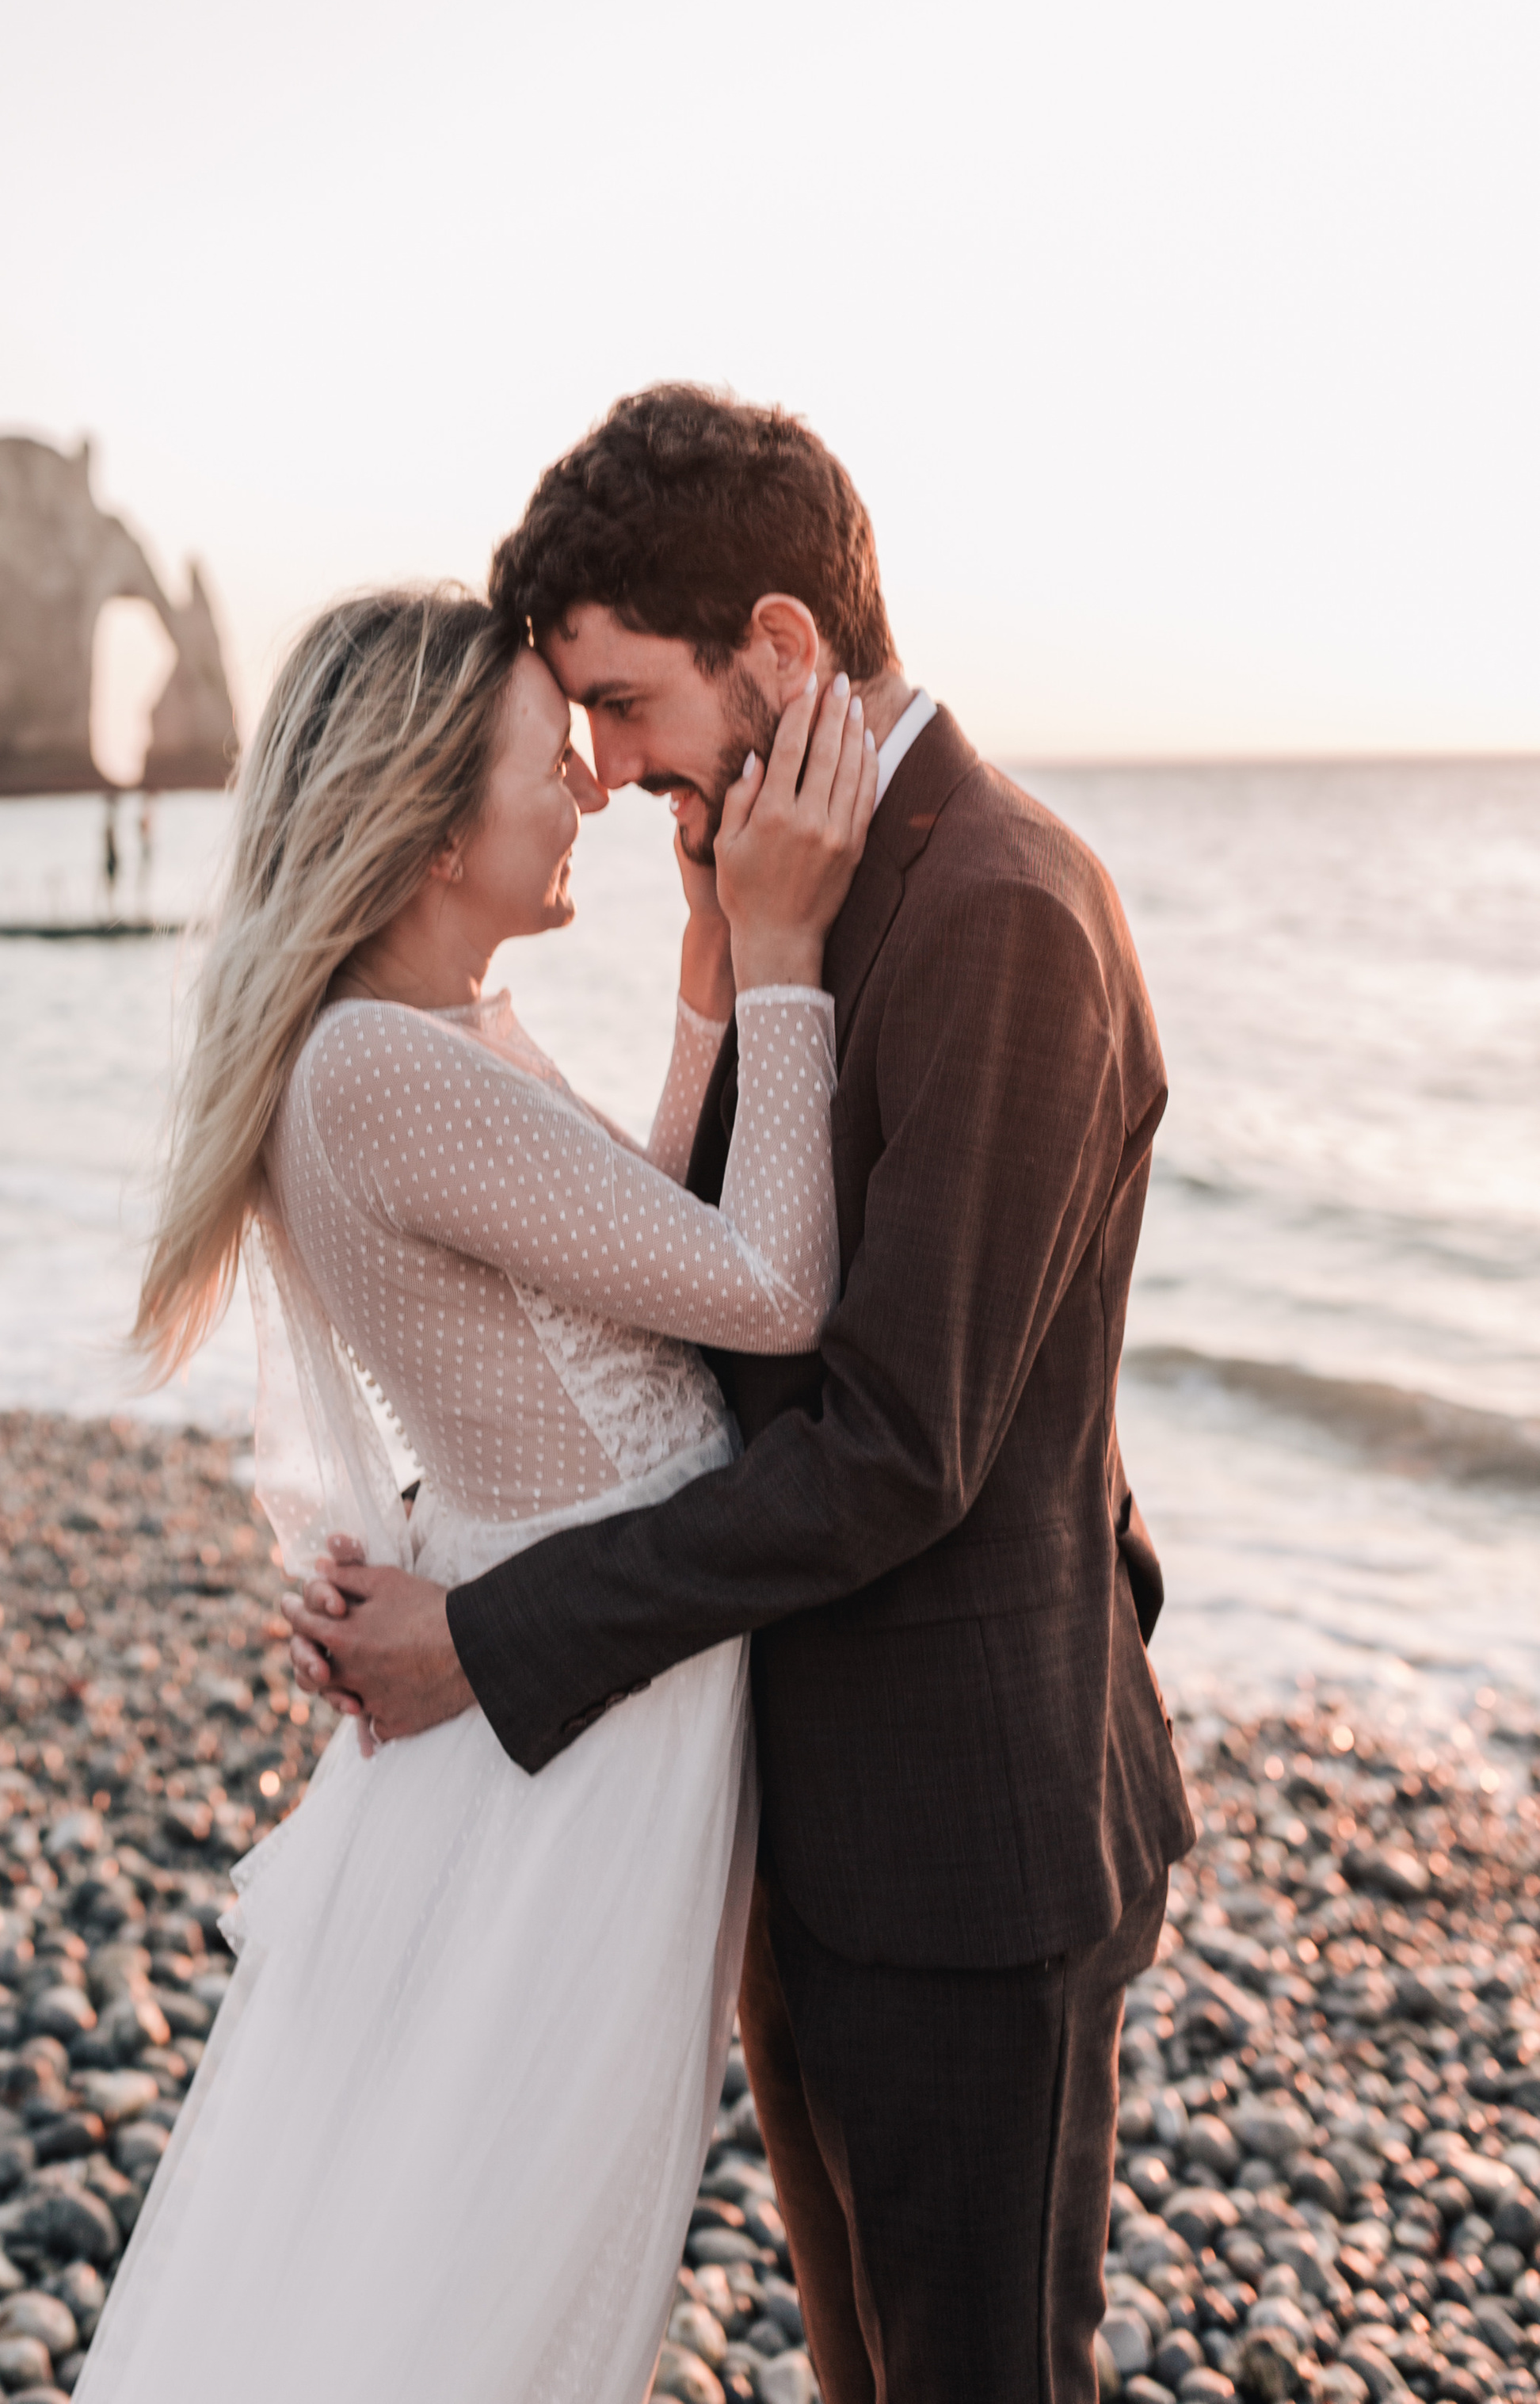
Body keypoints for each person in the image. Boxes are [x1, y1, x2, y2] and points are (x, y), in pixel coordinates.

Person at [290, 388, 1198, 2404]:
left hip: (965, 1846)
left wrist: (491, 1639)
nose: (602, 774)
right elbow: (692, 1327)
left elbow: (895, 1450)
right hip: (812, 1814)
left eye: (618, 705)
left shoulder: (996, 916)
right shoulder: (802, 899)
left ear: (776, 655)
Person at [81, 582, 878, 2402]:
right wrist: (778, 959)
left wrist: (699, 992)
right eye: (549, 755)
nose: (591, 788)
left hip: (584, 1685)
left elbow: (656, 1262)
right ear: (437, 819)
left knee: (488, 2252)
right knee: (478, 2285)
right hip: (575, 1734)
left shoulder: (436, 1033)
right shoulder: (376, 1063)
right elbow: (765, 1293)